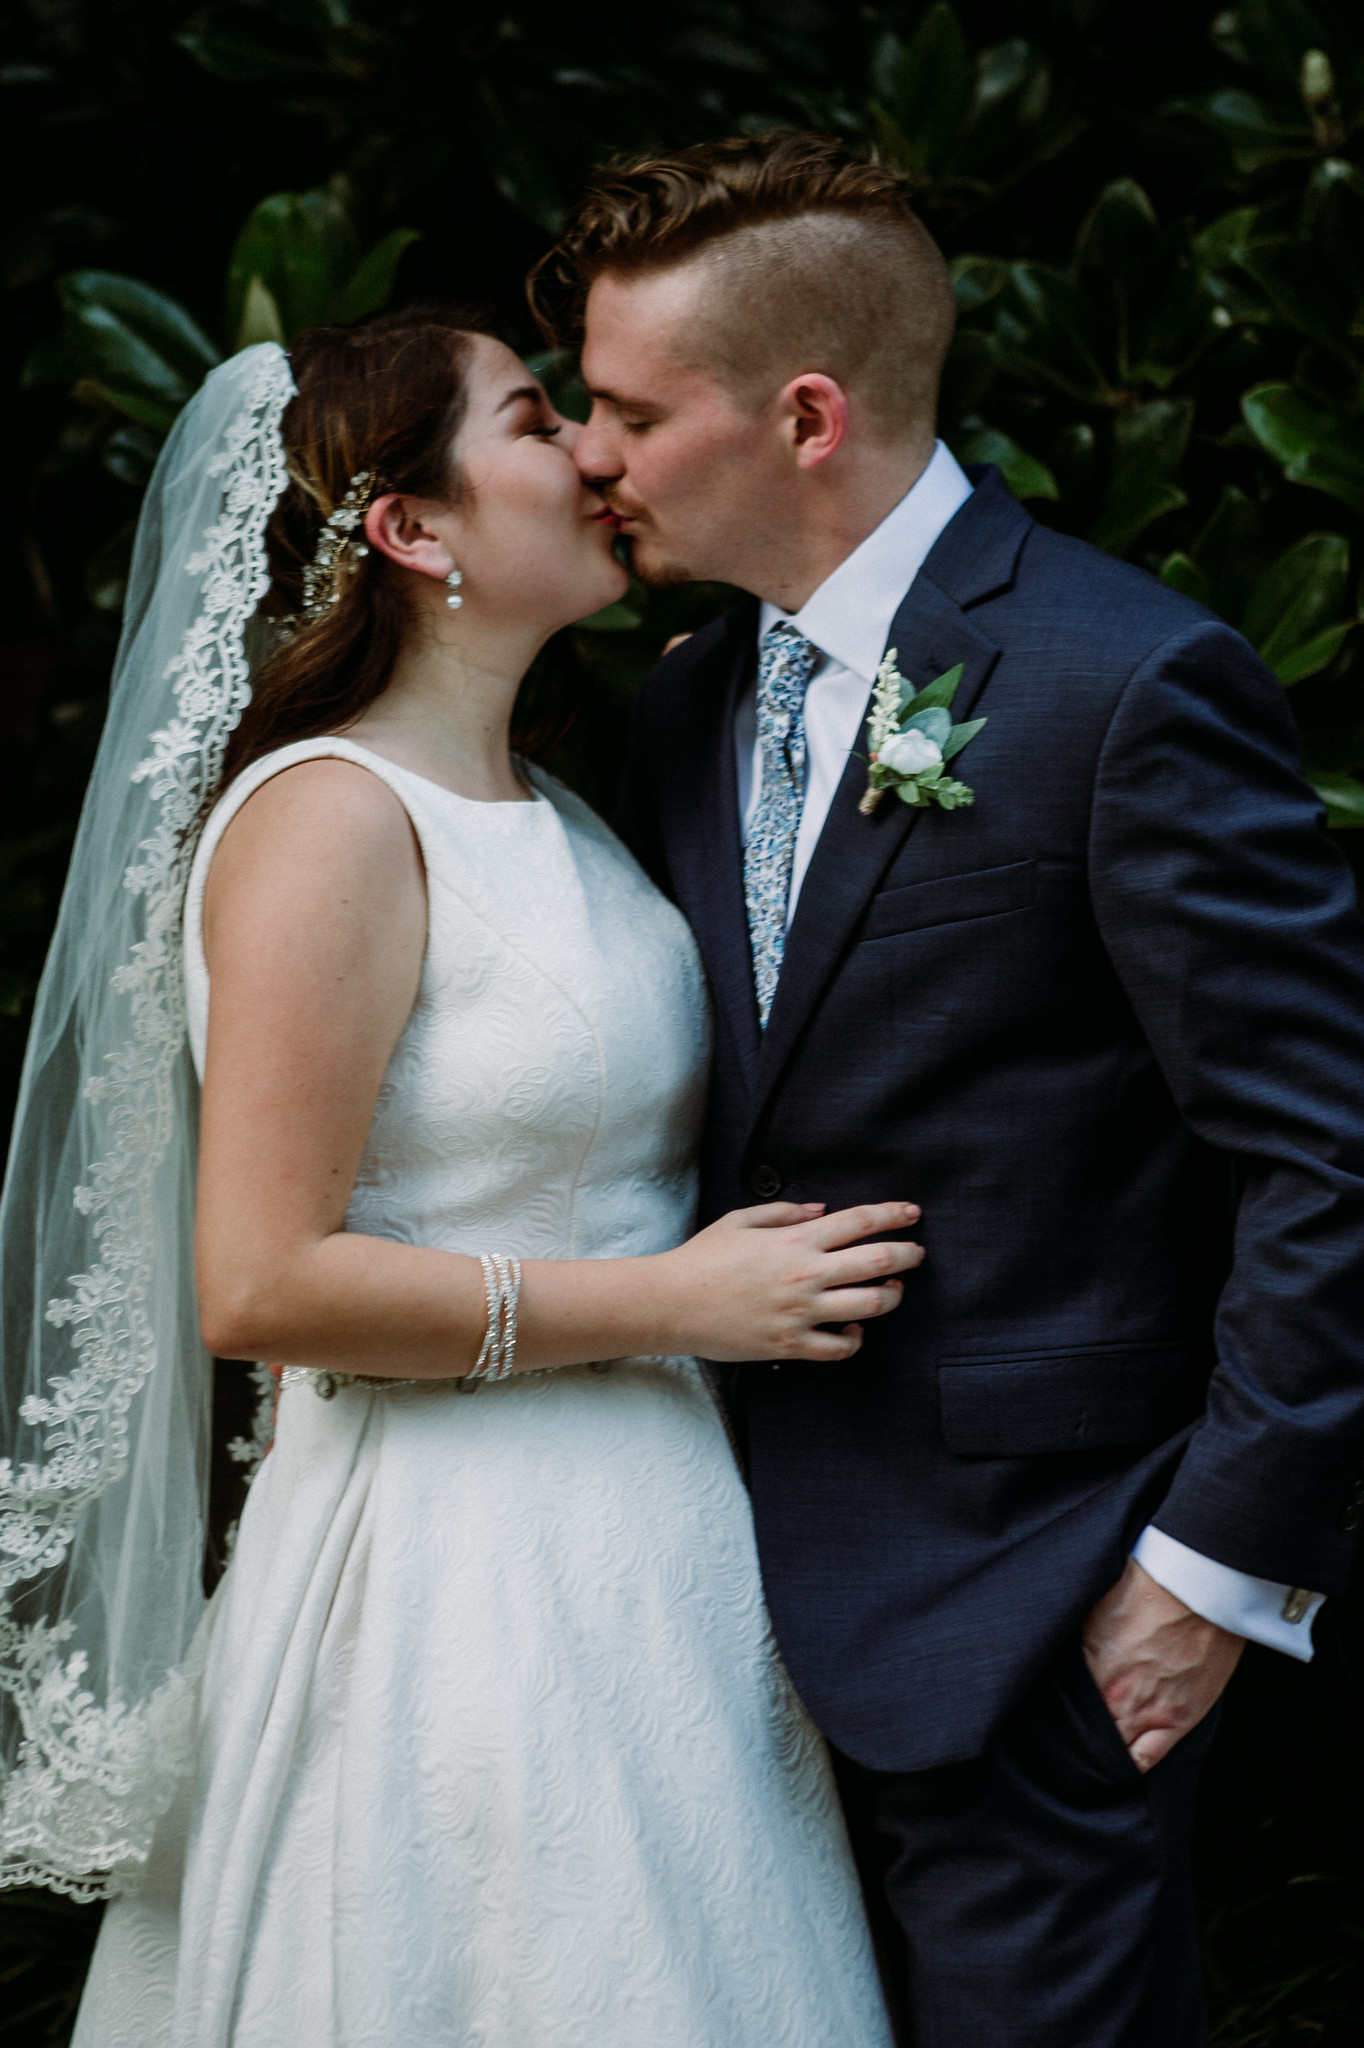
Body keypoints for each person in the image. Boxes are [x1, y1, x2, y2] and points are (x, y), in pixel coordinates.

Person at [533, 131, 1364, 2046]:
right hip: (682, 1627)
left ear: (803, 414)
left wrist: (1203, 1579)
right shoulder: (678, 700)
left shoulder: (1127, 683)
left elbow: (1323, 1161)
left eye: (628, 408)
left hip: (1025, 1619)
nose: (589, 451)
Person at [2, 311, 911, 2044]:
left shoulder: (558, 807)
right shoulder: (328, 822)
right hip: (455, 1586)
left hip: (658, 1555)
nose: (588, 447)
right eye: (529, 417)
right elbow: (257, 1283)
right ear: (412, 531)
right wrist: (676, 1301)